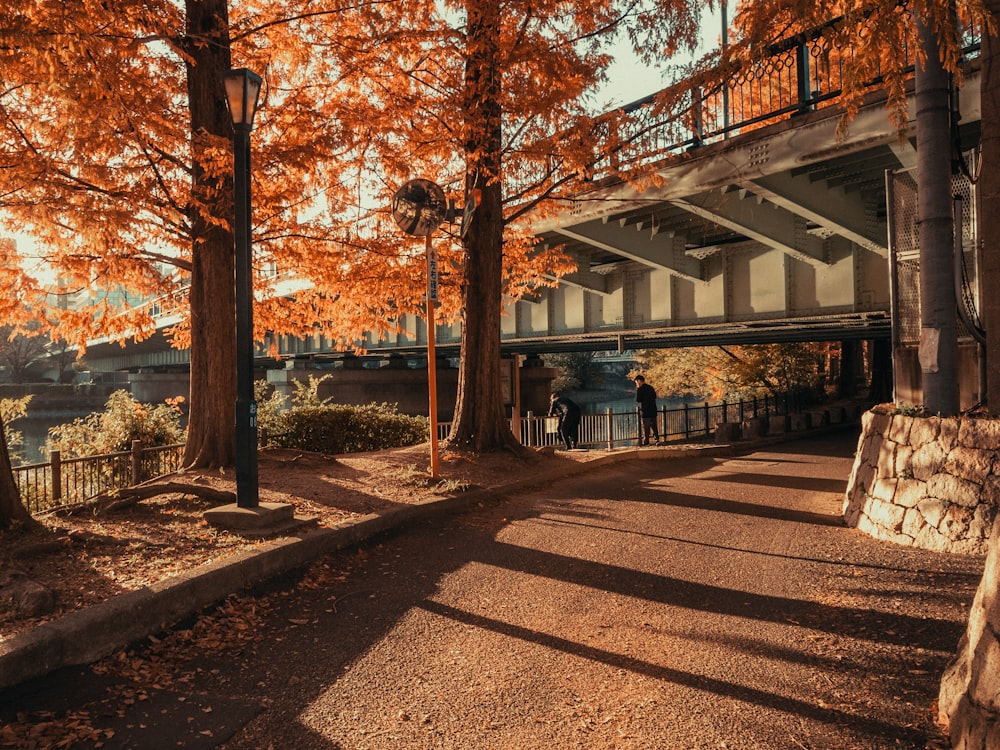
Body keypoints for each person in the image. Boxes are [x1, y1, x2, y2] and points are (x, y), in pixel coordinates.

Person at [634, 375, 660, 446]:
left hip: (645, 411)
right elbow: (654, 396)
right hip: (653, 410)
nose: (636, 384)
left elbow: (638, 400)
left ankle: (646, 442)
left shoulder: (640, 389)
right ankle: (657, 440)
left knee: (646, 427)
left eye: (636, 382)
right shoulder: (650, 388)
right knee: (654, 426)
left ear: (639, 381)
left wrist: (638, 389)